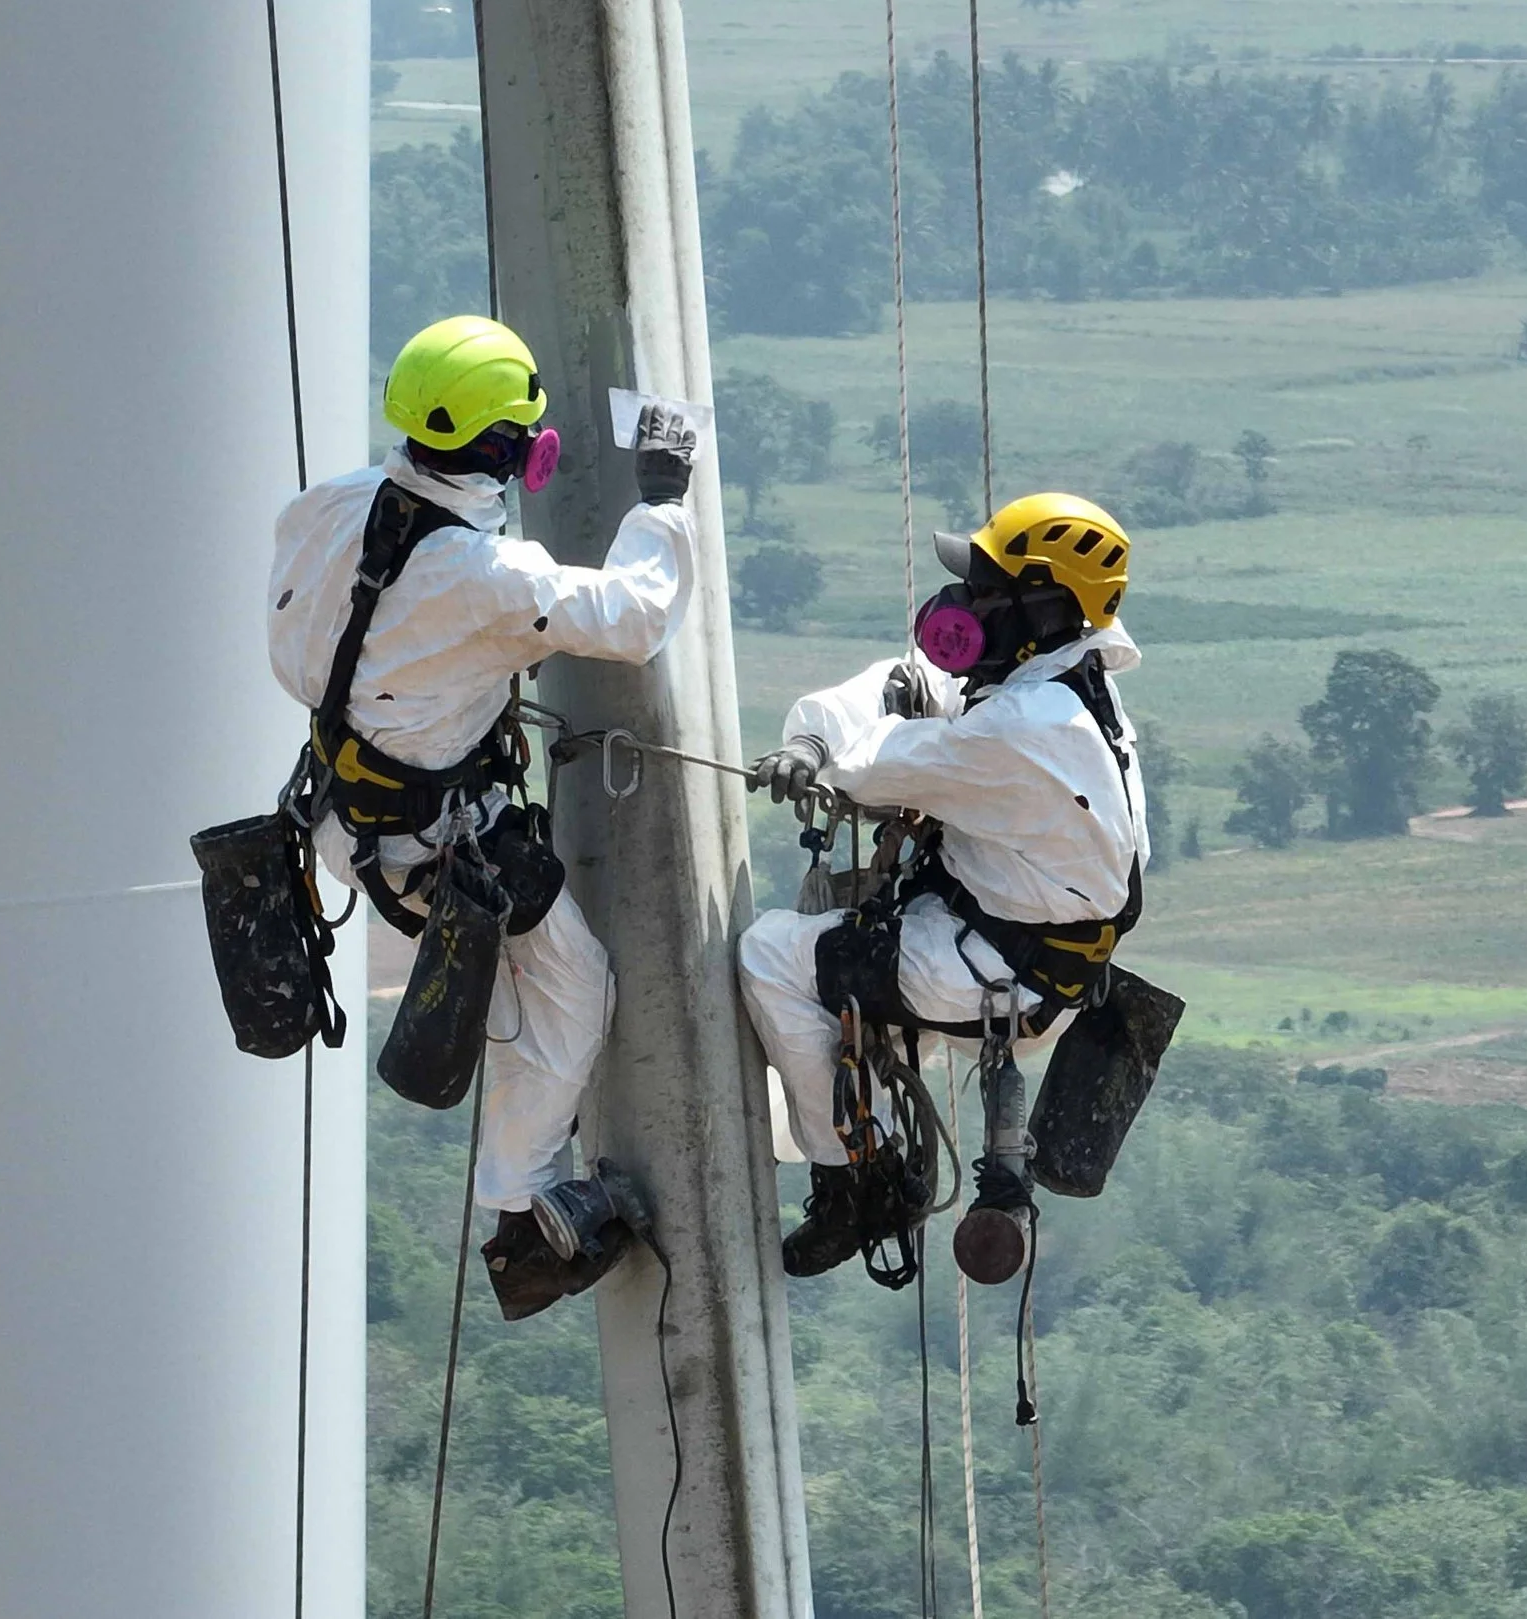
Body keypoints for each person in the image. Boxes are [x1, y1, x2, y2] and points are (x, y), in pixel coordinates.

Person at [267, 314, 699, 1319]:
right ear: (515, 451)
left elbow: (296, 652)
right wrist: (663, 505)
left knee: (530, 991)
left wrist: (415, 686)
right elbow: (634, 618)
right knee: (573, 989)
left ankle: (521, 1201)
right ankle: (516, 1220)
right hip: (437, 846)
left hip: (339, 818)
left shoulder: (324, 509)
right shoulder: (486, 579)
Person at [735, 493, 1149, 1277]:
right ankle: (862, 1139)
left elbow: (870, 764)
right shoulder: (1071, 690)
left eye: (986, 584)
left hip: (994, 978)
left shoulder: (1019, 730)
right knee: (837, 986)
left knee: (771, 956)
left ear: (1041, 605)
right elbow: (910, 679)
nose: (964, 603)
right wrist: (814, 731)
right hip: (1029, 960)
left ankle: (853, 1182)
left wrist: (814, 747)